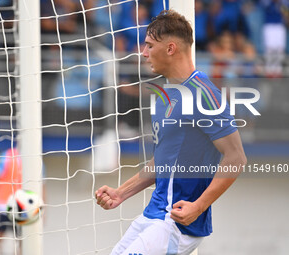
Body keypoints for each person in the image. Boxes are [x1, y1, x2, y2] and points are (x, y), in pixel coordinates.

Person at [96, 10, 247, 255]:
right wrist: (120, 193)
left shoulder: (204, 95)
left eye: (149, 45)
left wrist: (198, 207)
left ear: (170, 49)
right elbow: (163, 162)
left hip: (176, 223)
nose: (143, 53)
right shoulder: (166, 95)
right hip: (154, 215)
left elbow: (236, 158)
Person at [0, 147, 22, 255]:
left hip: (23, 208)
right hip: (4, 206)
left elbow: (42, 185)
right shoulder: (6, 155)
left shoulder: (35, 157)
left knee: (22, 241)